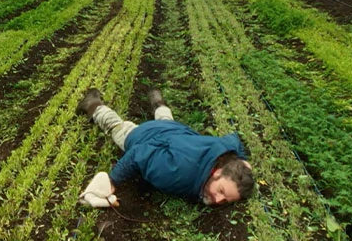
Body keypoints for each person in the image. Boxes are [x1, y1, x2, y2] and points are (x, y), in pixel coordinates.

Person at [76, 87, 254, 208]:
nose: (218, 199)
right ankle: (93, 104)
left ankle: (159, 103)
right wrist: (113, 180)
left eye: (225, 201)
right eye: (221, 190)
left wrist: (242, 160)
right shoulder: (177, 175)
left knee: (166, 120)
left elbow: (235, 139)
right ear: (217, 173)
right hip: (145, 135)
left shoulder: (223, 150)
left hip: (176, 131)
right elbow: (139, 153)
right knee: (118, 128)